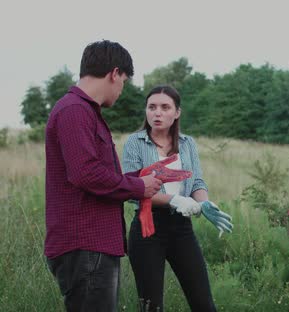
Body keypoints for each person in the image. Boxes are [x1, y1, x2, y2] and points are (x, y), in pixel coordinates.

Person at [45, 40, 163, 311]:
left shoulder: (83, 111)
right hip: (86, 245)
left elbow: (95, 172)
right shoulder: (75, 111)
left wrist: (143, 177)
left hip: (91, 247)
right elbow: (86, 174)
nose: (122, 89)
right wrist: (137, 187)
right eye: (123, 81)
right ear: (114, 73)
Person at [122, 85, 233, 311]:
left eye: (165, 107)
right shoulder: (135, 142)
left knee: (204, 304)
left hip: (182, 229)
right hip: (147, 229)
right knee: (151, 306)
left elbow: (197, 182)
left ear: (177, 112)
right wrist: (173, 199)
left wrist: (203, 202)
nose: (158, 113)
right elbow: (132, 189)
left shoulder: (187, 143)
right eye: (152, 107)